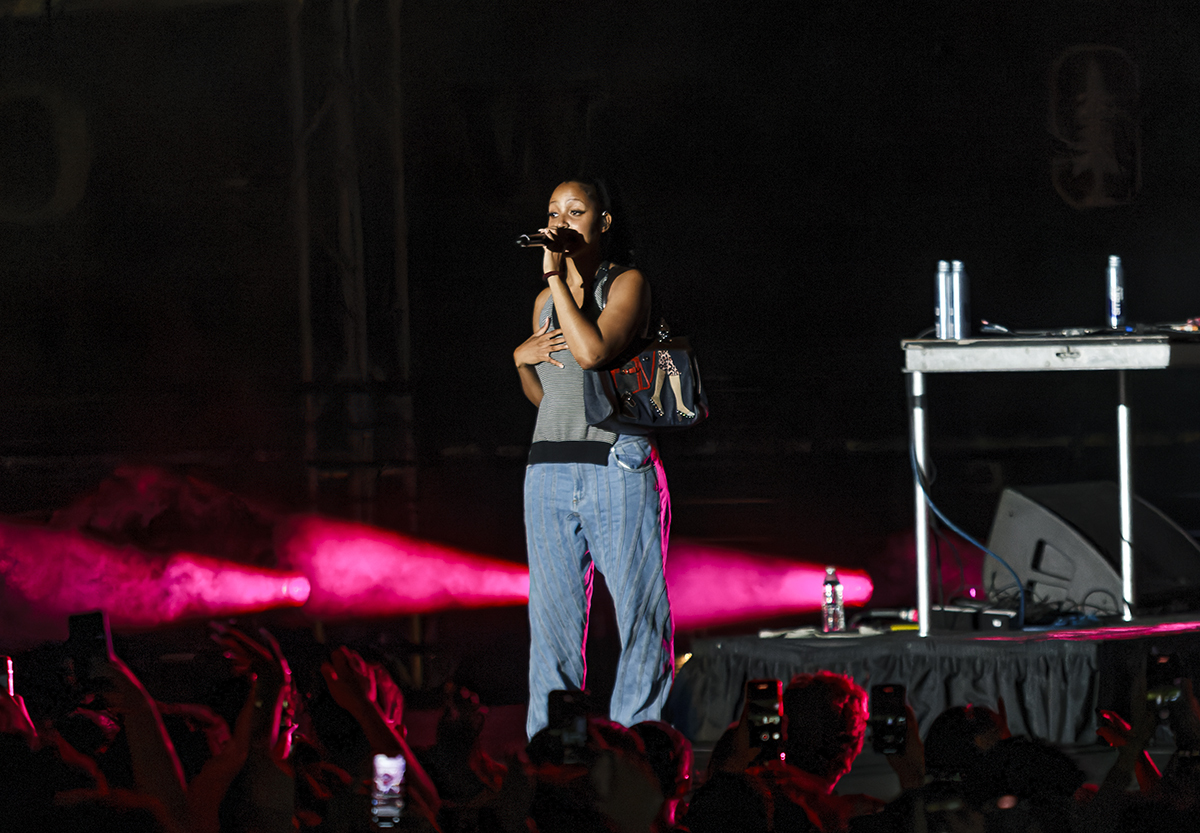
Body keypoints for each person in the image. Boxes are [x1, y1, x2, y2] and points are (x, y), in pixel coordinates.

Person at [513, 178, 674, 740]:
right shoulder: (542, 303)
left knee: (640, 620)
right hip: (548, 469)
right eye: (553, 209)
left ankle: (639, 746)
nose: (561, 218)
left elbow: (592, 351)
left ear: (602, 223)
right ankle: (555, 752)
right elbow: (550, 397)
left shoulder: (625, 284)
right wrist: (520, 360)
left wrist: (557, 279)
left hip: (616, 464)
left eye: (575, 210)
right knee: (552, 627)